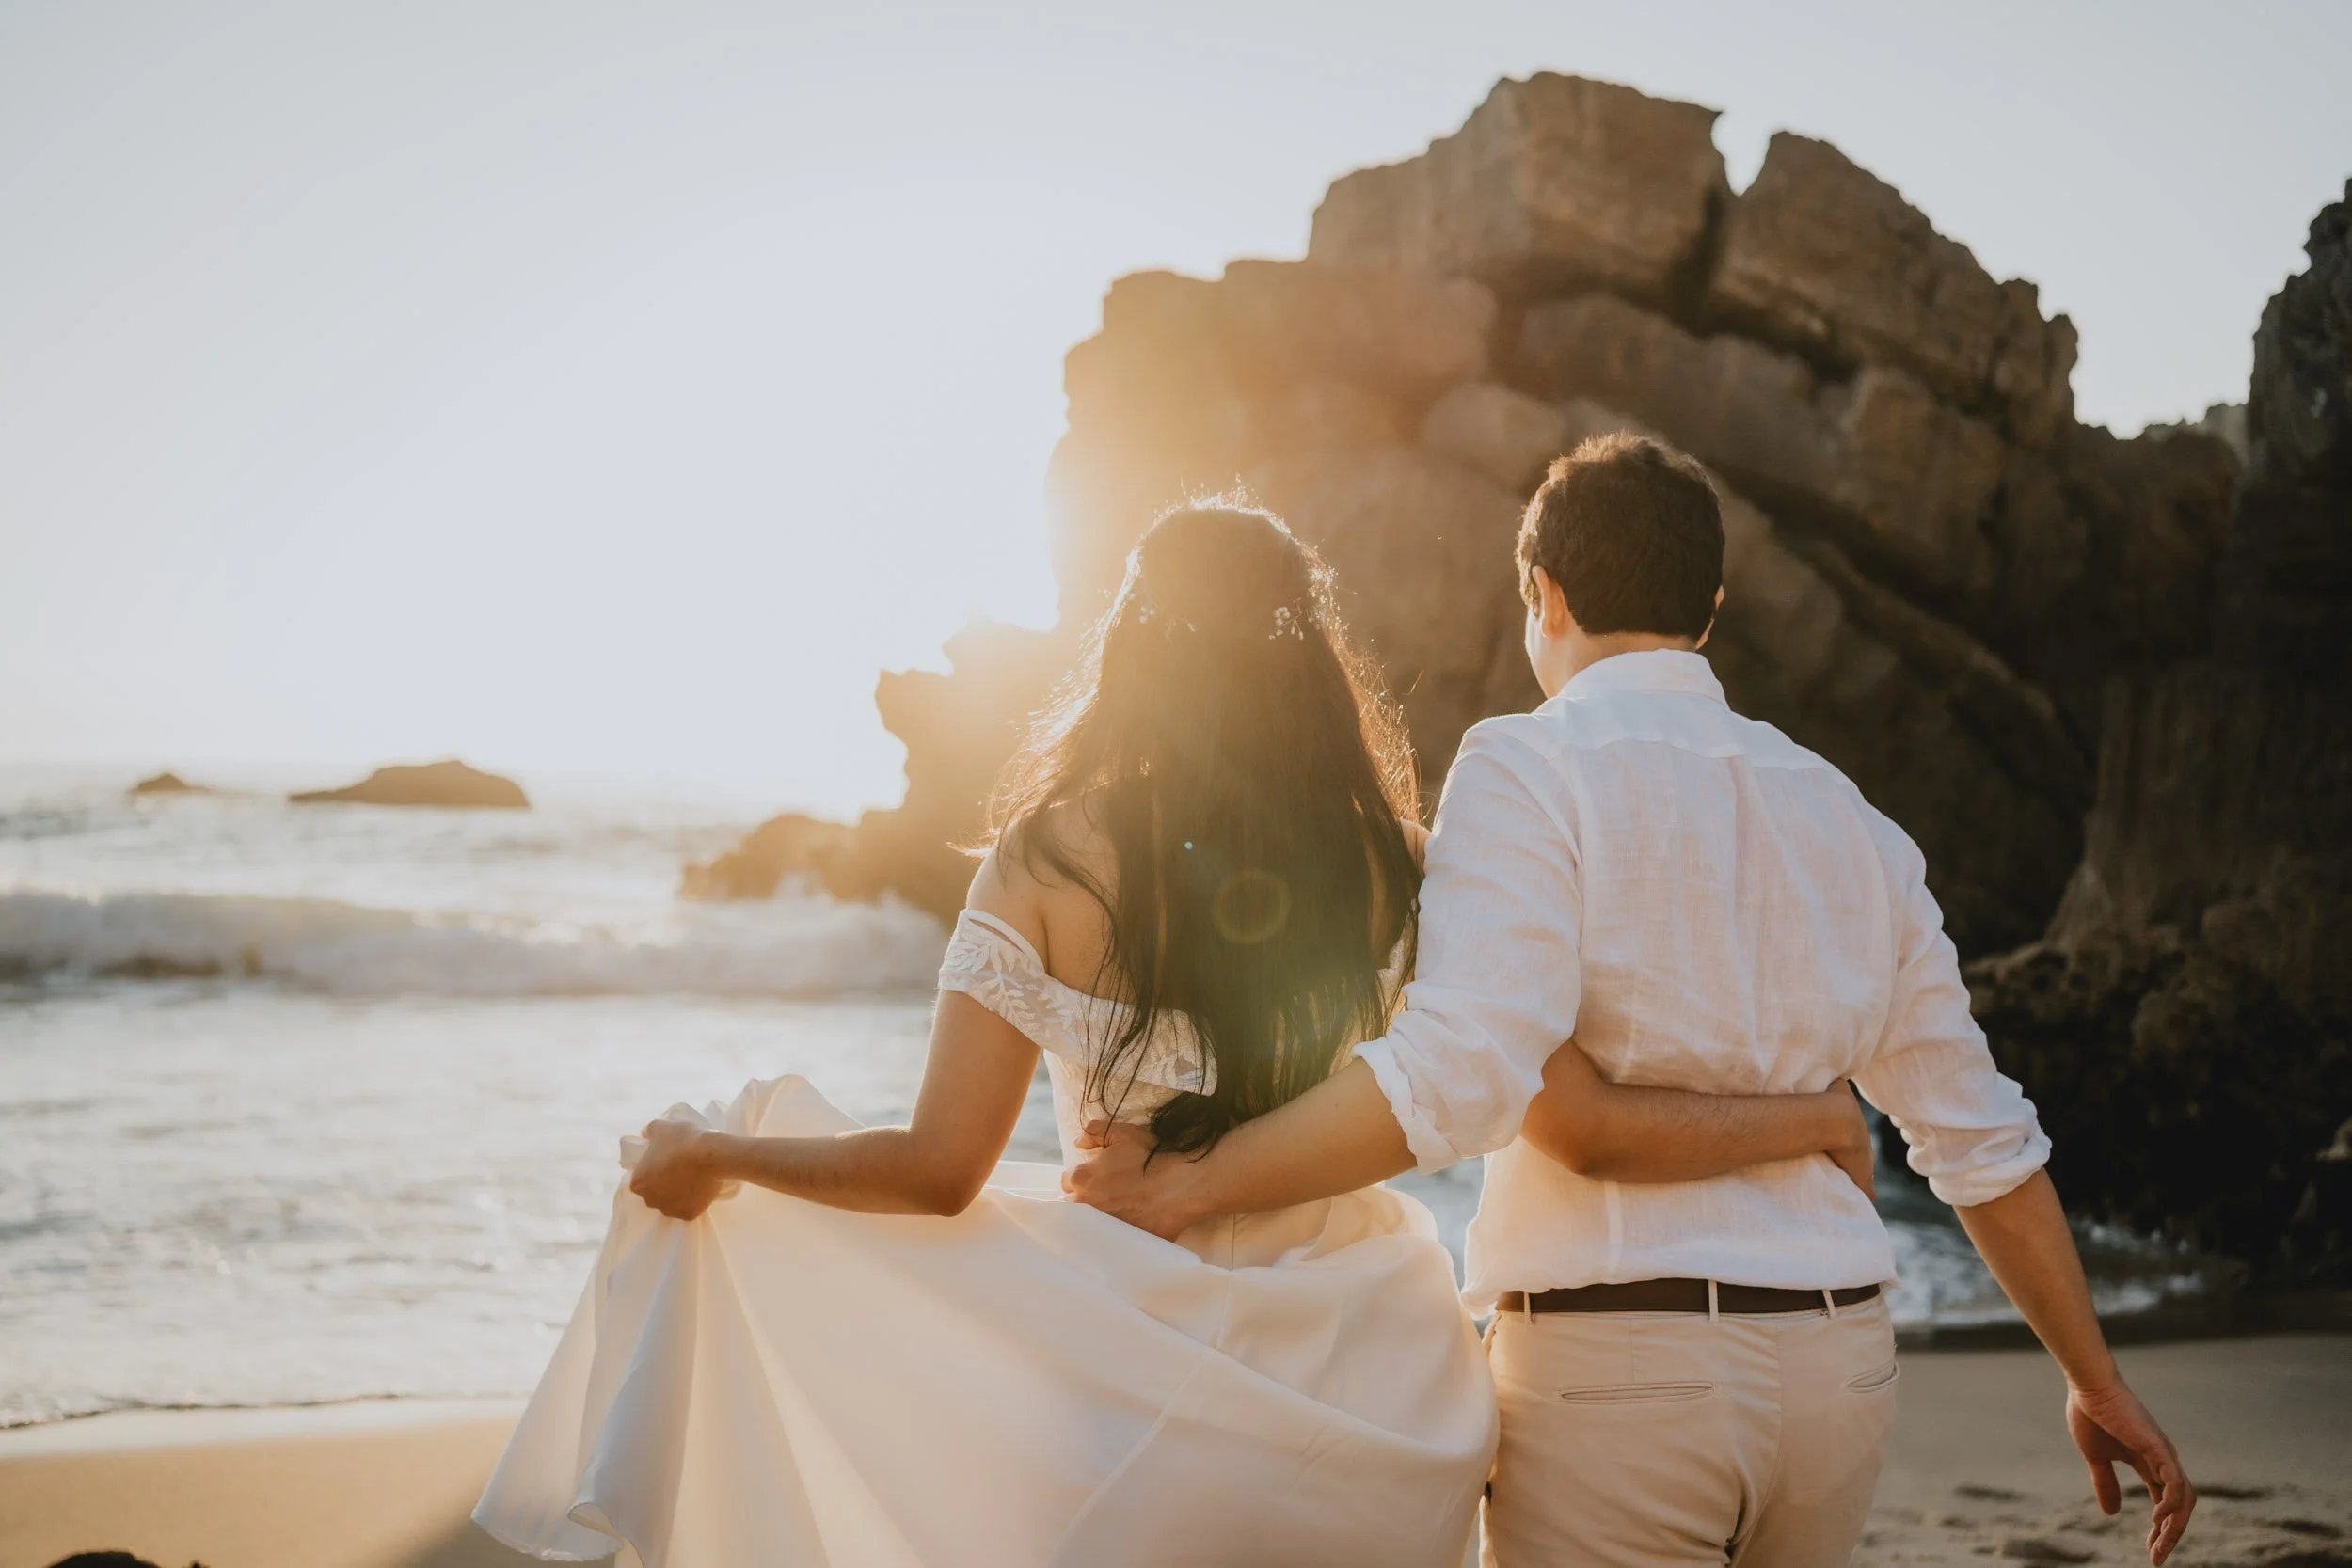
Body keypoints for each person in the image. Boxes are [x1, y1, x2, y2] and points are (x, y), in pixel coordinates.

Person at [474, 500, 1875, 1568]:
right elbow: (1556, 1098)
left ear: (1133, 643)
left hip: (1130, 1369)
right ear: (1305, 656)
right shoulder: (1402, 860)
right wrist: (1810, 1116)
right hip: (1373, 1394)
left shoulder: (1048, 858)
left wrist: (717, 1153)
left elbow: (935, 1167)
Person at [1071, 440, 2198, 1568]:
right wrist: (2092, 1378)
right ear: (1709, 607)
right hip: (1840, 1362)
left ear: (1541, 592)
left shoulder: (1523, 765)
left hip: (1619, 1366)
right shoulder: (1851, 817)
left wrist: (1195, 1182)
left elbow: (1466, 1071)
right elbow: (1979, 1135)